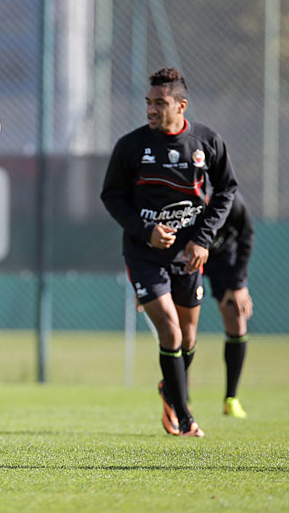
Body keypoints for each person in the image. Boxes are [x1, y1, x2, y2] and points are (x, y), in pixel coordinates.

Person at [101, 67, 237, 438]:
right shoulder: (131, 146)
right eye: (149, 102)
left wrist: (202, 239)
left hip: (188, 255)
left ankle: (170, 388)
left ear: (181, 105)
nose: (151, 109)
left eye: (160, 103)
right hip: (144, 254)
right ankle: (184, 415)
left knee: (188, 338)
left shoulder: (206, 142)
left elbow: (226, 190)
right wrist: (146, 231)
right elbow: (111, 196)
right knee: (170, 330)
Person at [205, 190, 253, 418]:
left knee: (236, 317)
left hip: (224, 257)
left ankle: (230, 399)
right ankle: (180, 400)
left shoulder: (231, 200)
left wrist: (238, 283)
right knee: (181, 324)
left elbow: (247, 235)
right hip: (187, 253)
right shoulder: (182, 195)